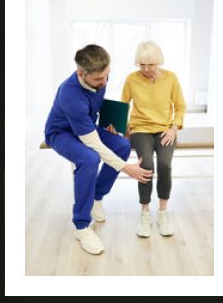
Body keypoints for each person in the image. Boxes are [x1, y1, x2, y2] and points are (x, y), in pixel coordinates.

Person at [44, 44, 153, 255]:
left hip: (86, 126)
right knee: (89, 158)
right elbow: (93, 143)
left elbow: (95, 106)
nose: (103, 83)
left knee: (122, 144)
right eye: (97, 80)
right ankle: (81, 226)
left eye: (106, 76)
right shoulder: (70, 94)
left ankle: (95, 197)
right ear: (80, 73)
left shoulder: (99, 76)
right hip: (61, 132)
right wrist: (126, 168)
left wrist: (111, 123)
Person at [121, 41, 186, 238]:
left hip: (165, 129)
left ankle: (163, 213)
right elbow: (123, 106)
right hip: (140, 128)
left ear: (158, 61)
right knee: (146, 165)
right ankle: (145, 213)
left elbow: (180, 107)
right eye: (142, 64)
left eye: (150, 64)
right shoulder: (131, 79)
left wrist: (174, 129)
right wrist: (125, 130)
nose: (146, 69)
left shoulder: (171, 78)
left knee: (165, 165)